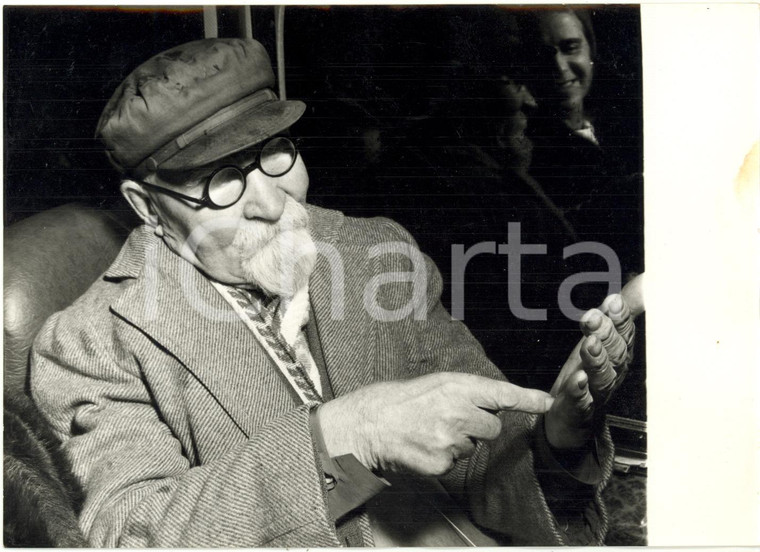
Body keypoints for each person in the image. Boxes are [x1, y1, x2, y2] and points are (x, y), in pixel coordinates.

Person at [30, 38, 637, 547]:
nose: (273, 203)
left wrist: (558, 434)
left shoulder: (376, 255)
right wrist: (346, 436)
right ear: (148, 208)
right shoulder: (90, 344)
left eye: (274, 153)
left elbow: (483, 466)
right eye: (219, 181)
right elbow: (131, 531)